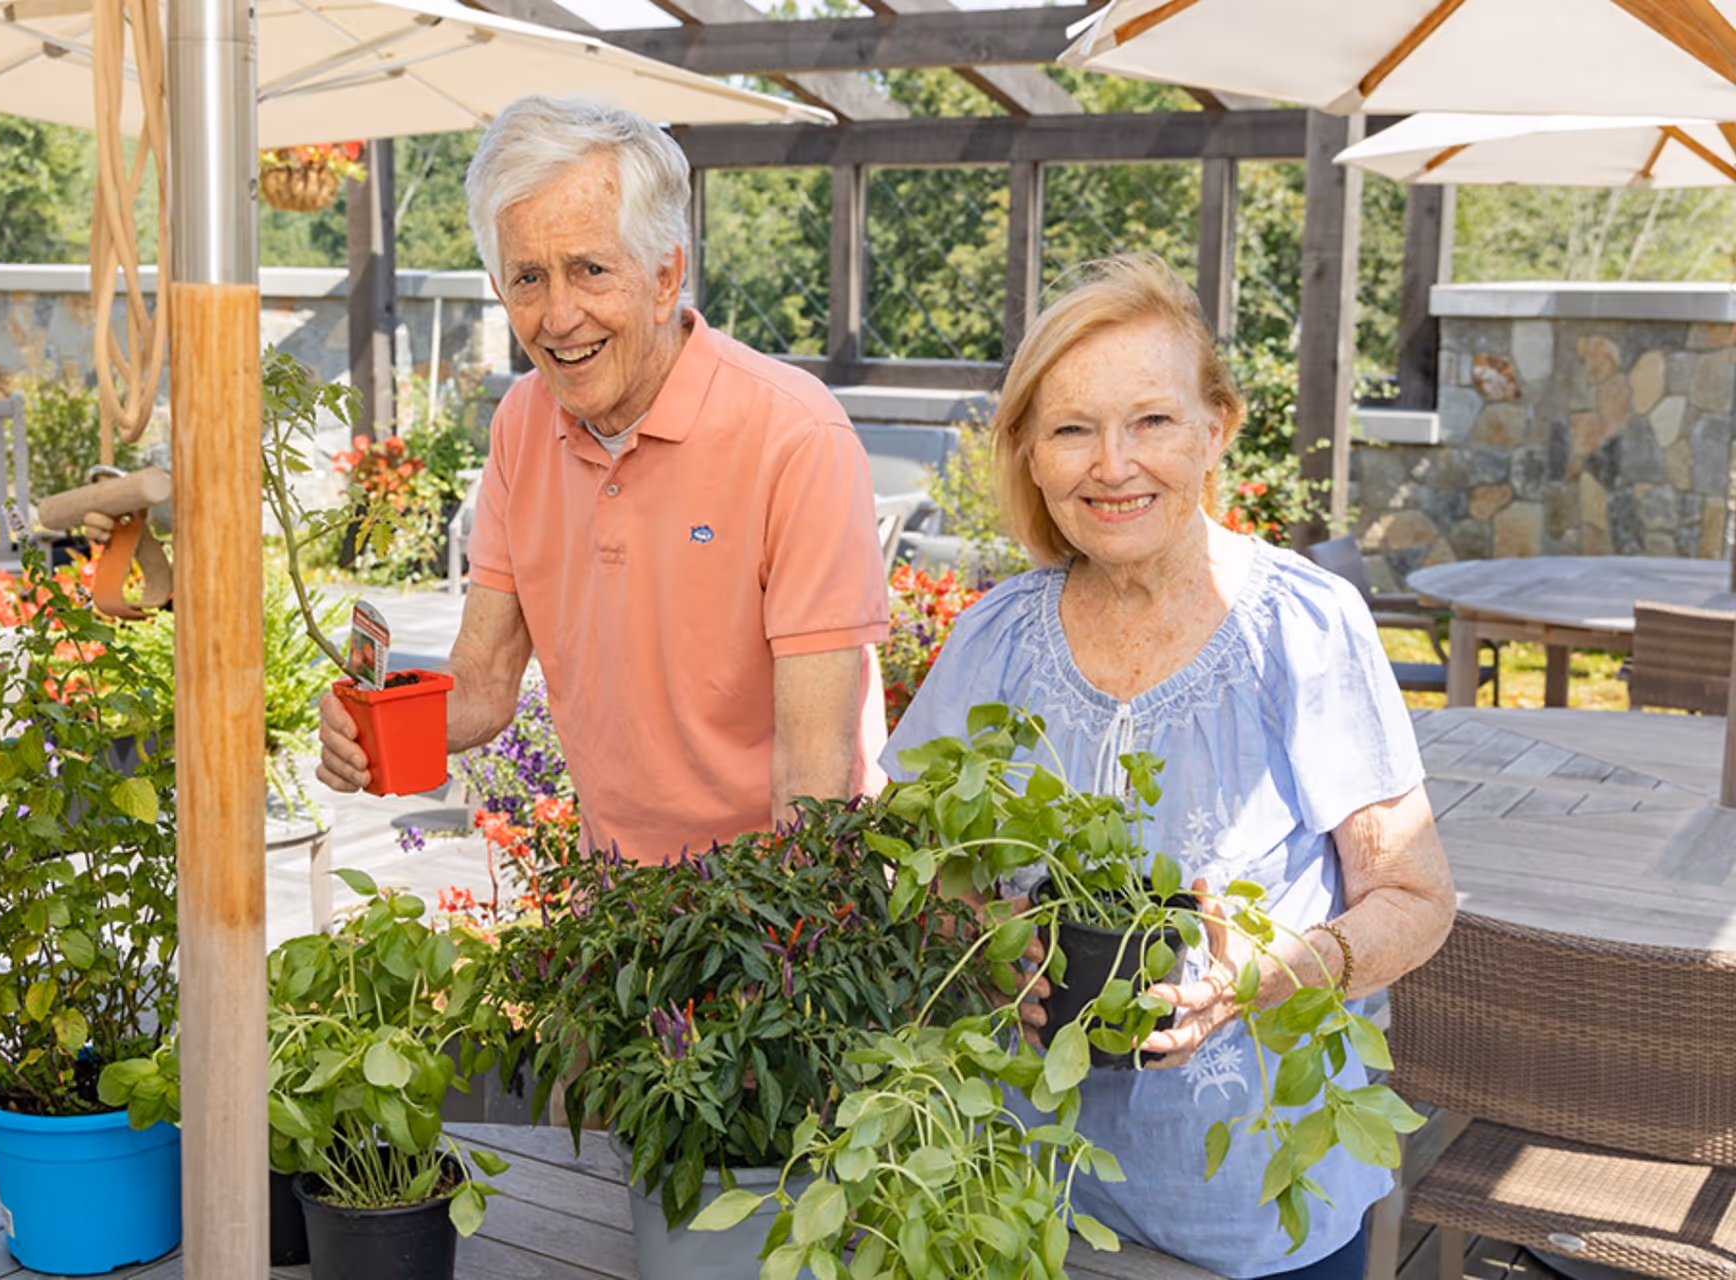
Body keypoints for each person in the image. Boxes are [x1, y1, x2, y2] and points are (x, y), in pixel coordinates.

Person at [882, 254, 1455, 1280]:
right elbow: (899, 856)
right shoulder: (995, 638)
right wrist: (975, 932)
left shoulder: (1302, 627)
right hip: (1016, 1200)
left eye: (1150, 420)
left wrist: (1270, 973)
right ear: (1028, 453)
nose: (1113, 464)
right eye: (1071, 428)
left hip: (1247, 1211)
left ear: (1215, 429)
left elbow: (1415, 897)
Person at [316, 96, 890, 863]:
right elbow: (484, 685)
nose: (558, 317)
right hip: (612, 904)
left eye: (590, 270)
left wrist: (786, 953)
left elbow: (812, 772)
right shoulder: (522, 425)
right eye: (527, 278)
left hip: (769, 912)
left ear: (664, 278)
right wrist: (372, 724)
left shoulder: (795, 436)